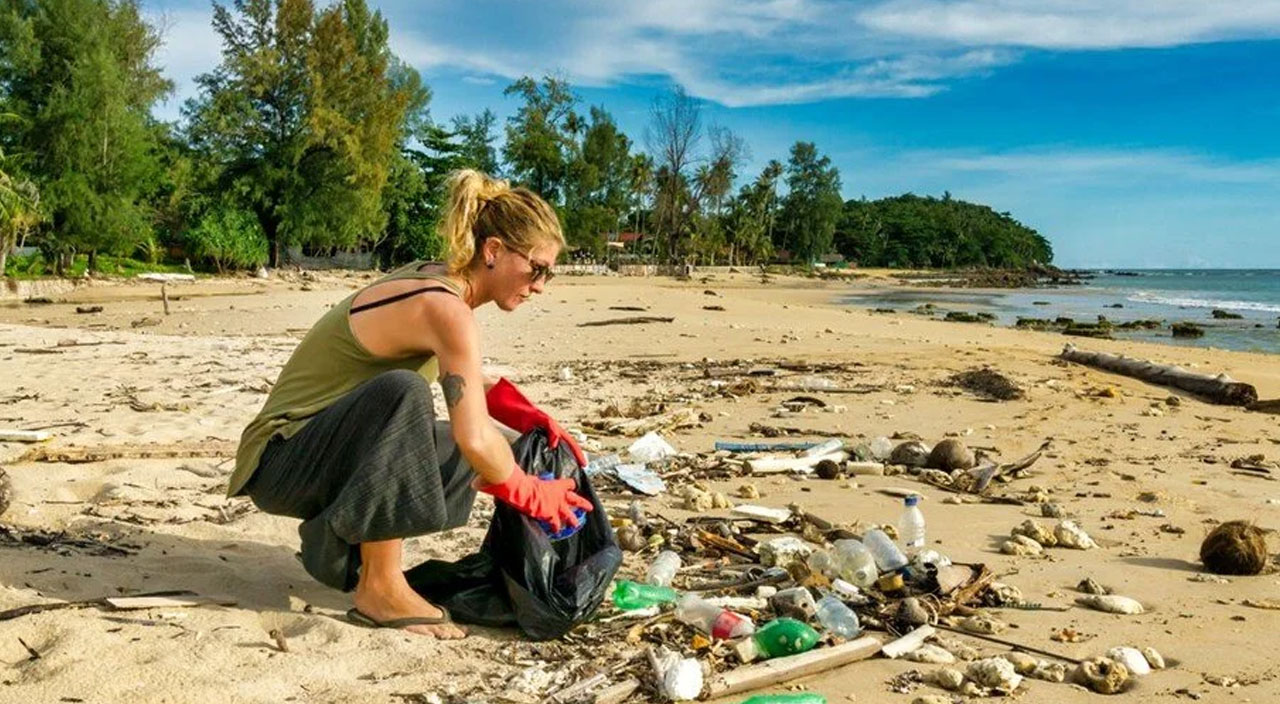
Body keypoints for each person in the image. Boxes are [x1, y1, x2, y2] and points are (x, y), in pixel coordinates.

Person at [228, 170, 593, 639]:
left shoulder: (438, 280)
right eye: (536, 268)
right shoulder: (445, 308)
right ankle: (379, 586)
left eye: (550, 273)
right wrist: (526, 491)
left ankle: (340, 541)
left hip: (322, 451)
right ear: (494, 250)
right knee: (405, 395)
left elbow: (468, 384)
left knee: (484, 444)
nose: (540, 285)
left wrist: (530, 418)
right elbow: (470, 432)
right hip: (280, 459)